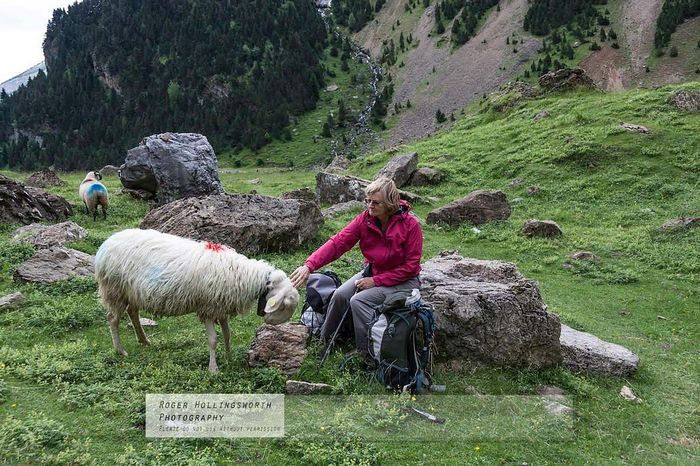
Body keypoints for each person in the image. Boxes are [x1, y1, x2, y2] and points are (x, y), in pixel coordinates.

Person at [290, 177, 423, 358]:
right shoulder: (365, 220)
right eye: (368, 200)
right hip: (374, 272)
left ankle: (366, 352)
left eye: (375, 202)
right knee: (340, 295)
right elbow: (338, 243)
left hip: (403, 282)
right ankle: (326, 341)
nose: (370, 206)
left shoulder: (410, 226)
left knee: (358, 301)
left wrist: (375, 281)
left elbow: (411, 267)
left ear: (390, 203)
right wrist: (309, 265)